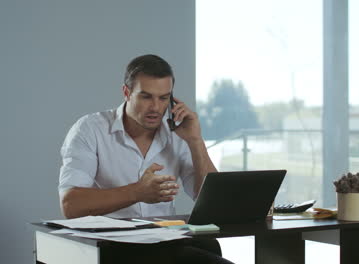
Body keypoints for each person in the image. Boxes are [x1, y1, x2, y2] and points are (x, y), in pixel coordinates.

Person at [59, 54, 233, 264]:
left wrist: (196, 141)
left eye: (163, 98)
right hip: (111, 245)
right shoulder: (89, 130)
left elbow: (212, 200)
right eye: (146, 97)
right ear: (126, 92)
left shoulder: (179, 133)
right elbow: (71, 205)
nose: (156, 108)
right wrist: (138, 192)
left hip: (165, 240)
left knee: (209, 245)